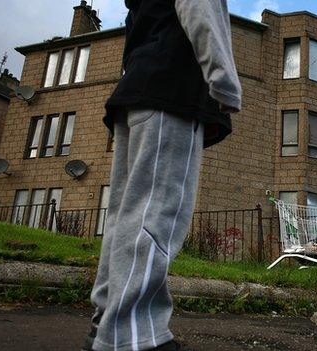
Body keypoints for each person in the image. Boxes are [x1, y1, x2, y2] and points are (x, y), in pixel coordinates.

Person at [85, 0, 241, 350]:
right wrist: (225, 81)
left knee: (124, 218)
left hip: (138, 93)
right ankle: (132, 337)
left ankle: (106, 323)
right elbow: (200, 6)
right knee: (157, 216)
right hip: (172, 92)